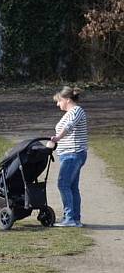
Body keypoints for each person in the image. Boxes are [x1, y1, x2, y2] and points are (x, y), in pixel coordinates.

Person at [49, 86, 88, 227]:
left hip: (73, 154)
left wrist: (58, 137)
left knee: (63, 184)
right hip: (70, 154)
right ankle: (75, 218)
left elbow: (69, 126)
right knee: (72, 187)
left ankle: (69, 218)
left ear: (67, 99)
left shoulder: (76, 111)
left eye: (59, 101)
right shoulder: (70, 113)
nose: (57, 104)